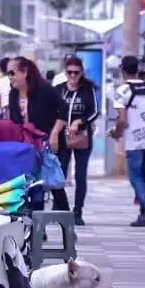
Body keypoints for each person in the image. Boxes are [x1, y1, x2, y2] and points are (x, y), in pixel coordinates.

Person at [8, 56, 69, 213]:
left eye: (12, 73)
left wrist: (55, 132)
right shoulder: (13, 94)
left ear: (24, 72)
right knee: (33, 186)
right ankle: (38, 229)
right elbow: (14, 122)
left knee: (53, 184)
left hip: (49, 144)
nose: (10, 77)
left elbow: (64, 107)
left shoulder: (43, 89)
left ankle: (68, 225)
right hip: (27, 147)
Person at [111, 55, 145, 227]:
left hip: (134, 141)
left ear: (123, 71)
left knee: (135, 176)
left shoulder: (122, 91)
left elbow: (121, 120)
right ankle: (144, 212)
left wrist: (116, 133)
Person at [53, 55, 100, 224]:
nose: (73, 76)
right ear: (65, 72)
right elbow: (52, 110)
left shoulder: (88, 90)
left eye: (76, 73)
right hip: (62, 137)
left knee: (80, 175)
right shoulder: (58, 89)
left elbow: (95, 111)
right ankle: (58, 207)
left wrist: (81, 121)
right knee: (59, 174)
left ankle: (78, 211)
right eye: (69, 72)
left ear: (81, 73)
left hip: (82, 136)